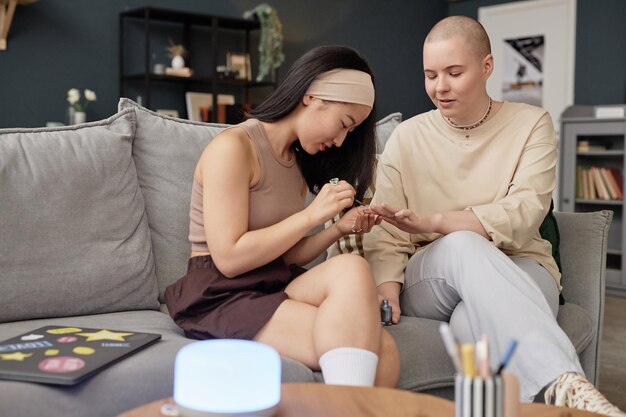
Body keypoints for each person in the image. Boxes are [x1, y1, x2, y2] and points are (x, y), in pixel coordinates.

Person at [364, 15, 625, 416]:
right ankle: (565, 384)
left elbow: (524, 212)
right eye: (430, 75)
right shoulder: (409, 136)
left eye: (454, 72)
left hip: (522, 265)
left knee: (474, 321)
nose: (440, 87)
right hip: (432, 276)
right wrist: (385, 283)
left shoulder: (530, 124)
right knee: (464, 244)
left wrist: (435, 221)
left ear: (487, 66)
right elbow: (386, 230)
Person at [165, 45, 400, 388]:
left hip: (272, 283)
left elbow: (284, 254)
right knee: (381, 351)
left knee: (353, 270)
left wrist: (338, 228)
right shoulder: (233, 149)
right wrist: (311, 215)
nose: (339, 140)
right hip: (222, 293)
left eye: (349, 132)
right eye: (343, 124)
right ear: (312, 97)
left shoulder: (296, 162)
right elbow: (229, 258)